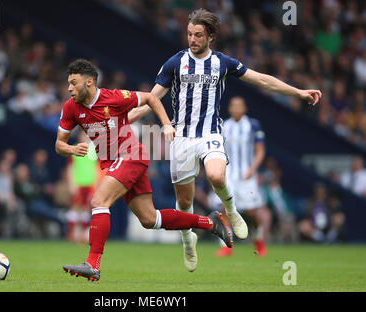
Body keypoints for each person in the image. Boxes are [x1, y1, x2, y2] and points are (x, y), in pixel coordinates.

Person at [128, 8, 322, 271]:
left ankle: (231, 211)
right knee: (185, 202)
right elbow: (151, 100)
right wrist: (122, 119)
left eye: (198, 35)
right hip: (182, 137)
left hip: (210, 133)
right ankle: (188, 241)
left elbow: (262, 79)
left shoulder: (222, 63)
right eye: (189, 34)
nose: (192, 39)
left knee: (217, 176)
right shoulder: (175, 63)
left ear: (210, 36)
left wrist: (298, 92)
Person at [56, 59, 232, 281]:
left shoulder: (113, 97)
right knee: (150, 219)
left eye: (74, 83)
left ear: (89, 82)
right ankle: (210, 222)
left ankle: (93, 263)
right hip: (114, 163)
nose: (69, 88)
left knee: (99, 201)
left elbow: (150, 97)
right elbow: (59, 145)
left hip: (130, 155)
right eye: (68, 83)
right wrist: (71, 148)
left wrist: (167, 124)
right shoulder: (70, 107)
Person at [213, 96, 272, 257]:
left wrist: (253, 169)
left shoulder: (252, 125)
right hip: (228, 175)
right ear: (230, 108)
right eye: (233, 105)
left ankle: (258, 241)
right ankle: (226, 245)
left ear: (245, 108)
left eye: (240, 105)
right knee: (224, 209)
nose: (236, 108)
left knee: (251, 212)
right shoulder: (224, 125)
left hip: (247, 175)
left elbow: (260, 150)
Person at [65, 129, 99, 243]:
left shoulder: (94, 150)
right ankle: (72, 233)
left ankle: (83, 235)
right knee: (75, 208)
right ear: (79, 136)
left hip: (89, 184)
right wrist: (71, 184)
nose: (85, 136)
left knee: (86, 209)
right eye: (83, 134)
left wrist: (96, 185)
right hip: (78, 184)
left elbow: (96, 169)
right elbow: (70, 168)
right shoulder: (74, 149)